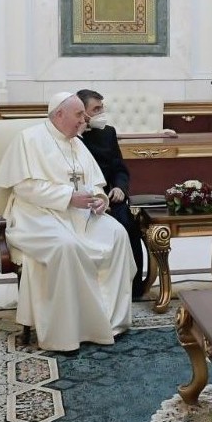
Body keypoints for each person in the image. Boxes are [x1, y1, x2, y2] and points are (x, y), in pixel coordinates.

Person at [0, 91, 135, 351]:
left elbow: (94, 183)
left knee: (117, 234)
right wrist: (67, 197)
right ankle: (69, 331)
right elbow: (24, 187)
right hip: (36, 215)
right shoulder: (29, 139)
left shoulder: (77, 143)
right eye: (79, 114)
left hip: (79, 213)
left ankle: (109, 321)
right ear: (59, 114)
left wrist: (100, 198)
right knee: (66, 246)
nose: (84, 120)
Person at [77, 88, 145, 296]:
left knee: (128, 226)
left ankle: (133, 287)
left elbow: (120, 168)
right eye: (96, 108)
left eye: (102, 107)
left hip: (111, 198)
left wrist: (120, 188)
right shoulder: (71, 137)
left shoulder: (108, 133)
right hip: (82, 201)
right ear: (82, 112)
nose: (101, 112)